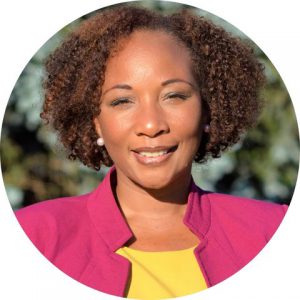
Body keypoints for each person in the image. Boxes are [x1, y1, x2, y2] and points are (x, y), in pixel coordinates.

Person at [15, 4, 288, 299]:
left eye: (174, 96)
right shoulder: (32, 238)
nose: (150, 124)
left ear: (208, 110)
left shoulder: (272, 233)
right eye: (122, 101)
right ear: (96, 124)